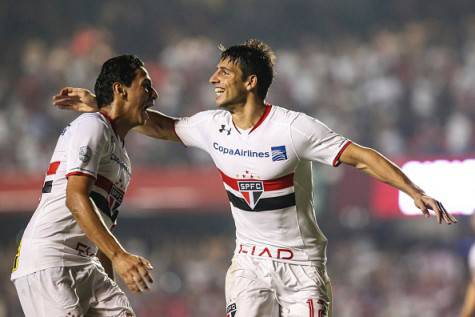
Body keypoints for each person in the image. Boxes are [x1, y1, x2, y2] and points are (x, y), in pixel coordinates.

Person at [53, 39, 457, 317]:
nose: (213, 79)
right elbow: (160, 126)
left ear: (250, 82)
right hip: (249, 264)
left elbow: (362, 158)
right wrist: (104, 105)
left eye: (224, 72)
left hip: (302, 267)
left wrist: (414, 190)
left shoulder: (294, 129)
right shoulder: (212, 126)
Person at [12, 55, 158, 317]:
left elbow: (101, 229)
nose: (154, 94)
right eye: (145, 85)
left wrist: (111, 269)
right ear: (119, 89)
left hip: (86, 263)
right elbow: (75, 197)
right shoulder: (92, 126)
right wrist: (120, 256)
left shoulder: (123, 159)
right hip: (51, 259)